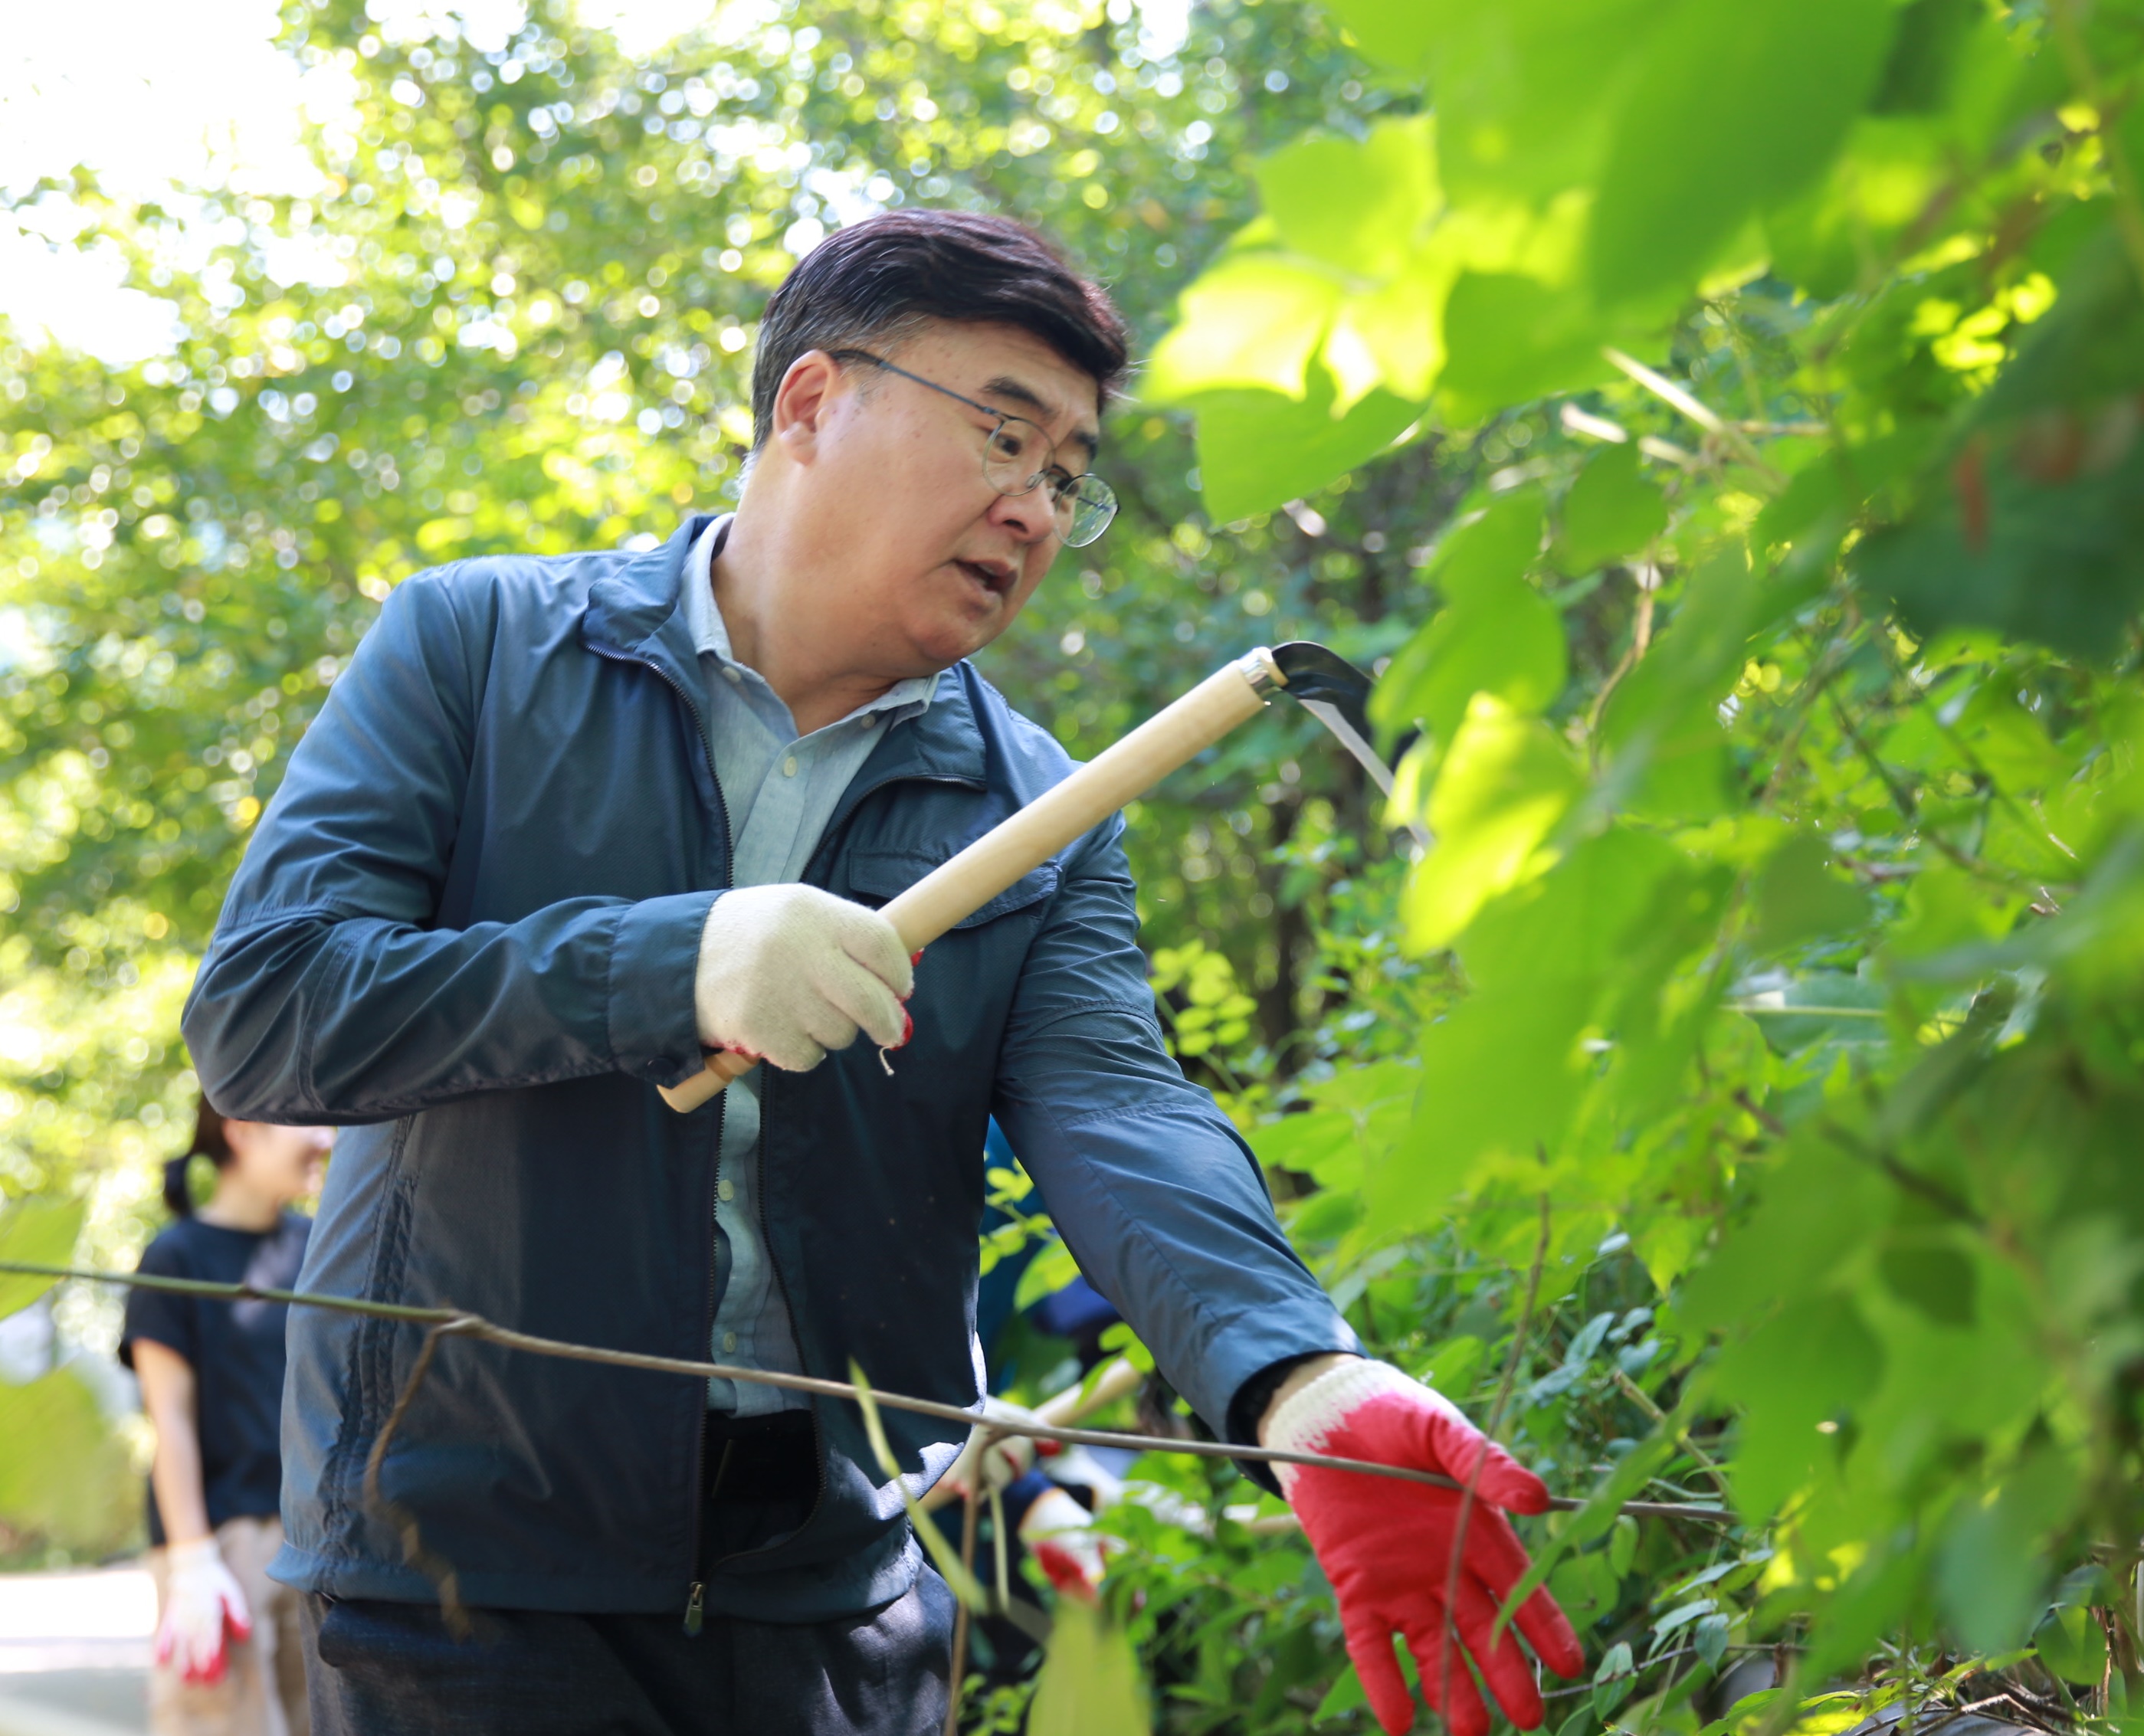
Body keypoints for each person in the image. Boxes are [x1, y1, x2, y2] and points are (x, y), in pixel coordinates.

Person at [181, 209, 1582, 1736]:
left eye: (1067, 474)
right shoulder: (481, 648)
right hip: (453, 1594)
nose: (1039, 506)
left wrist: (1295, 1373)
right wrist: (677, 960)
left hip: (836, 1608)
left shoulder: (1034, 806)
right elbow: (268, 1008)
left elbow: (1122, 1113)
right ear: (810, 403)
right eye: (1004, 433)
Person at [120, 1101, 329, 1736]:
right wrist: (191, 1561)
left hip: (318, 1540)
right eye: (307, 1121)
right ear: (242, 1131)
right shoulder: (176, 1258)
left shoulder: (318, 1248)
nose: (325, 1138)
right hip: (224, 1541)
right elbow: (171, 1421)